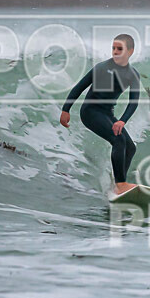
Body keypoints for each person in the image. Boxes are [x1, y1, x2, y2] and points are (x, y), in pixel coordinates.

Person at [59, 34, 140, 195]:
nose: (115, 52)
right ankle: (121, 184)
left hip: (107, 113)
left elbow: (134, 102)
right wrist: (65, 109)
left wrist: (122, 121)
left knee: (130, 147)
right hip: (90, 112)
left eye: (120, 49)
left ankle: (117, 183)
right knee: (119, 140)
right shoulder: (102, 68)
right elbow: (79, 87)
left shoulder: (132, 74)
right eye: (113, 48)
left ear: (130, 51)